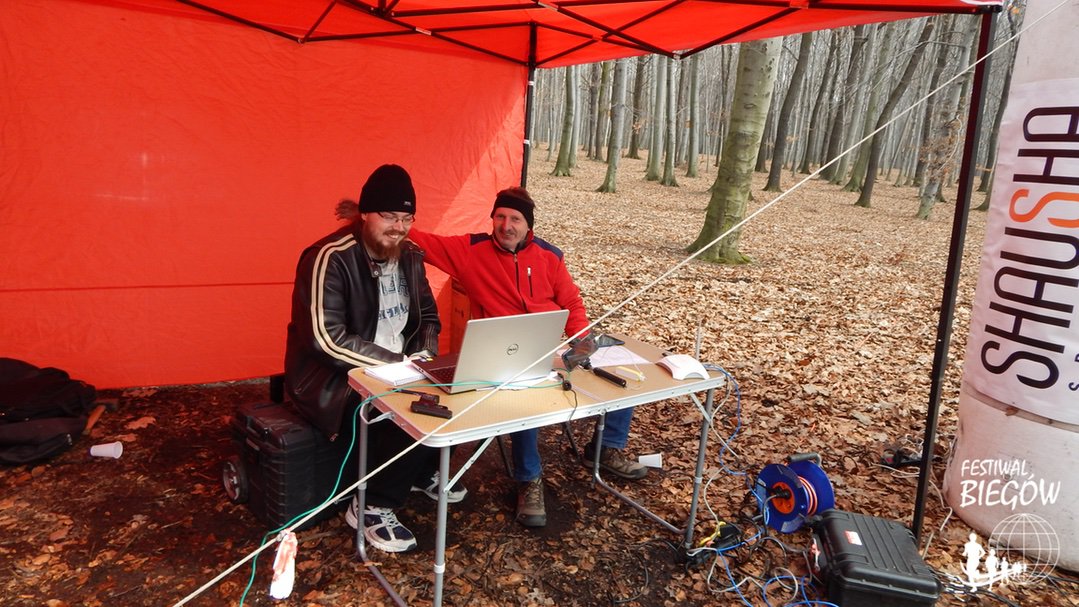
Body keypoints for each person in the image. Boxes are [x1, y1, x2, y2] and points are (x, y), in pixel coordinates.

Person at [337, 187, 647, 528]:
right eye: (500, 217)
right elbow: (419, 238)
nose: (506, 225)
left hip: (549, 348)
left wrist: (582, 339)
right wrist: (366, 214)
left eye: (515, 219)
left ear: (528, 225)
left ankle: (606, 447)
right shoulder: (470, 251)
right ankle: (529, 480)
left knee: (617, 370)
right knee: (523, 402)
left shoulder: (550, 256)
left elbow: (571, 302)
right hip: (502, 357)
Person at [285, 164, 465, 553]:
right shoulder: (329, 257)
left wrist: (422, 356)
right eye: (389, 216)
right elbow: (325, 338)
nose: (398, 227)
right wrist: (398, 366)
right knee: (407, 410)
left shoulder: (411, 254)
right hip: (334, 380)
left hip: (398, 368)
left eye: (406, 218)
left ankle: (419, 471)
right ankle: (371, 505)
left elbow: (428, 319)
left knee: (457, 393)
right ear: (365, 213)